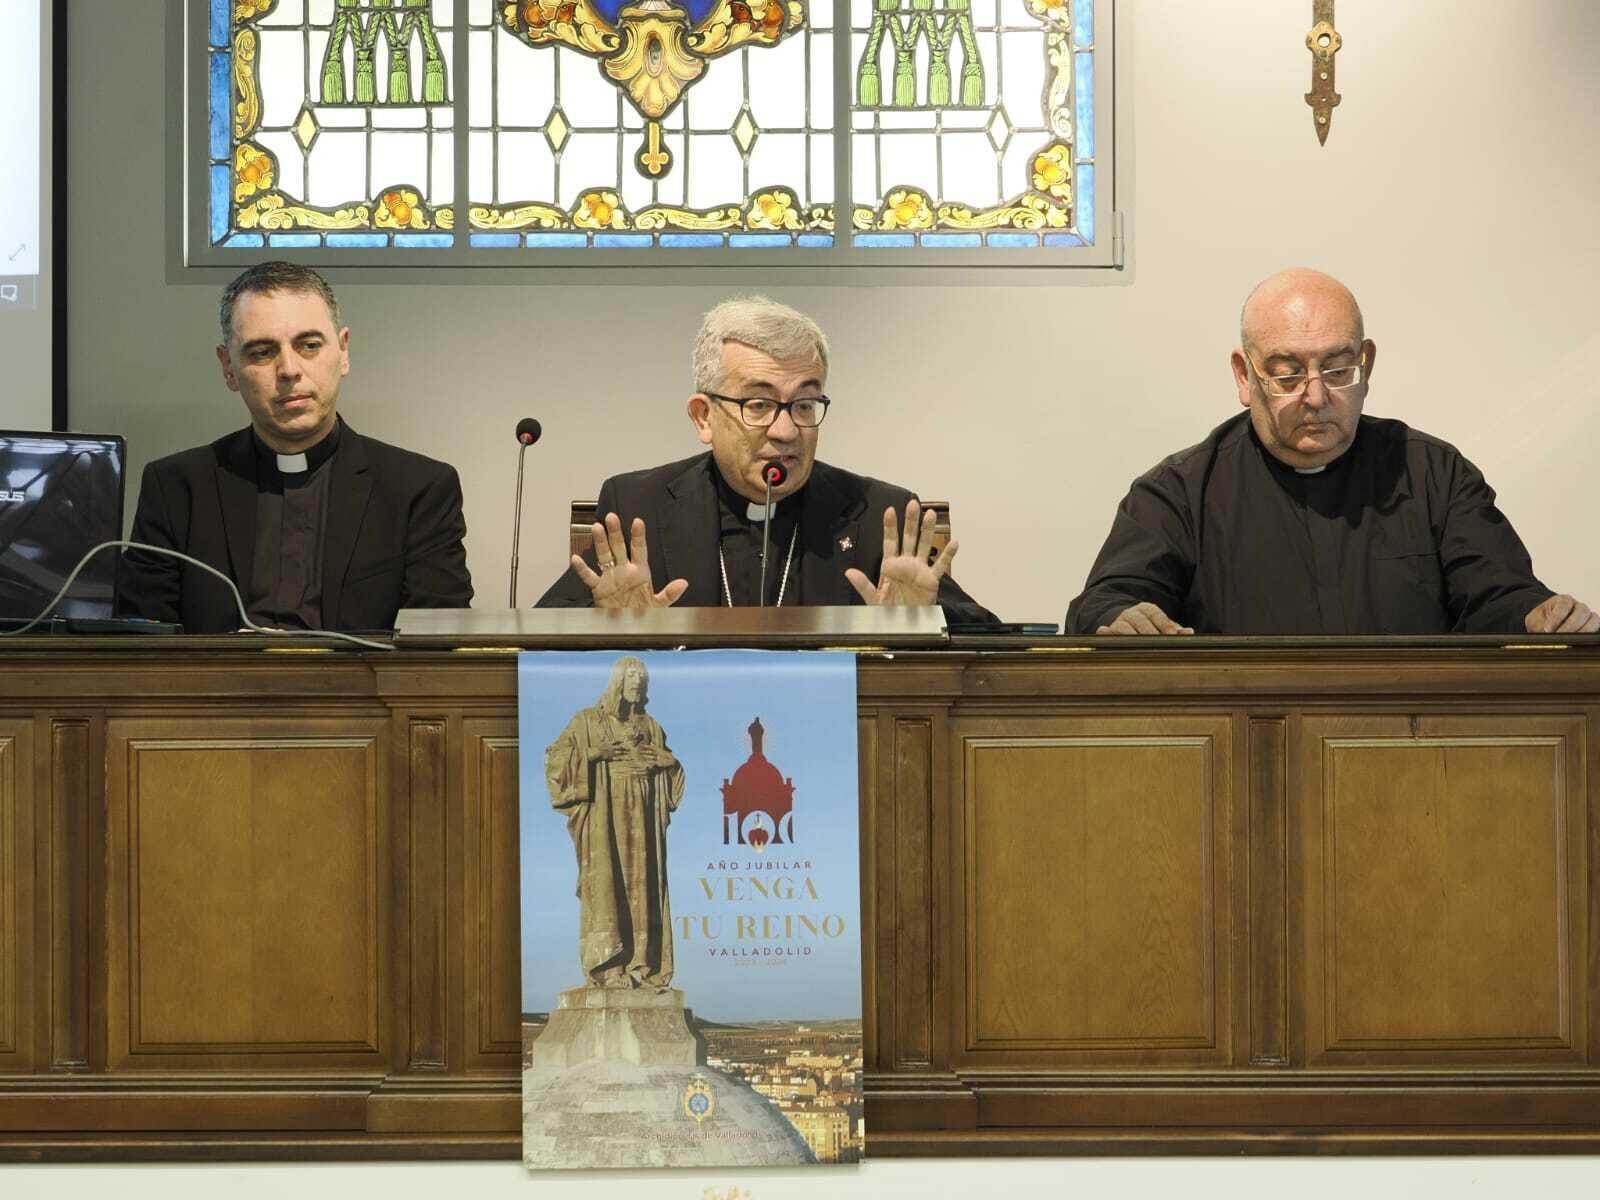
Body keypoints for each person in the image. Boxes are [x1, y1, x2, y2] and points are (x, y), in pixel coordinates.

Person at [1066, 267, 1597, 636]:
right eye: (1287, 373)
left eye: (1338, 370)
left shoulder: (1435, 475)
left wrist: (1538, 614)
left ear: (1366, 363)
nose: (1317, 397)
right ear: (1244, 376)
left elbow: (1499, 594)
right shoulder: (1180, 492)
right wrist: (1125, 615)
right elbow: (1106, 602)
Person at [536, 295, 997, 622]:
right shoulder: (640, 506)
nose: (786, 430)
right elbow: (538, 632)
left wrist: (927, 622)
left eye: (804, 404)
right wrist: (600, 622)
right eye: (758, 405)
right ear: (703, 417)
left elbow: (990, 635)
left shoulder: (880, 514)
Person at [117, 262, 473, 632]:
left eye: (309, 345)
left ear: (344, 351)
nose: (289, 369)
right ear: (228, 367)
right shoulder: (177, 489)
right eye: (261, 352)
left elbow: (436, 649)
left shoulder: (418, 490)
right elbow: (142, 647)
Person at [545, 656, 686, 989]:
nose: (638, 683)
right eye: (632, 677)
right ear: (618, 682)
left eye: (642, 679)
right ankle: (610, 966)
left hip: (644, 815)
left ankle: (642, 965)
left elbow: (671, 777)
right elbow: (555, 760)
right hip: (605, 812)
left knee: (644, 885)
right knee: (608, 885)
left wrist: (669, 762)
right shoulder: (588, 720)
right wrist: (593, 754)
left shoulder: (651, 726)